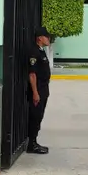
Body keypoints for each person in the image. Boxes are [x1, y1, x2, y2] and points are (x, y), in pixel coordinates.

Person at [26, 27, 53, 155]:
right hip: (38, 90)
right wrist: (35, 93)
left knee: (39, 116)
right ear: (40, 38)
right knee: (35, 116)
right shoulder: (34, 52)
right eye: (46, 37)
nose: (48, 39)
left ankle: (34, 142)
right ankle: (31, 144)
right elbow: (32, 74)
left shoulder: (41, 51)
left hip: (43, 88)